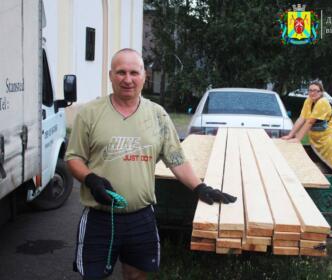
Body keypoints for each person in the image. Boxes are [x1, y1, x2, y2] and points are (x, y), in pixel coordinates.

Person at [65, 48, 236, 280]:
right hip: (100, 217)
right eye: (121, 72)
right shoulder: (89, 114)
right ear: (110, 75)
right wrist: (91, 179)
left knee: (136, 275)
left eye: (134, 72)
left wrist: (199, 187)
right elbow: (73, 157)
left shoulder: (158, 115)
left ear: (144, 76)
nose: (127, 79)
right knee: (93, 276)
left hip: (141, 216)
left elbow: (176, 159)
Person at [281, 80, 332, 167]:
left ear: (321, 92)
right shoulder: (309, 100)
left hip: (328, 140)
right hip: (316, 140)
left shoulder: (322, 102)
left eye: (316, 90)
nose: (312, 93)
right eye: (310, 90)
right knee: (317, 167)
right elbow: (301, 118)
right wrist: (290, 135)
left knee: (327, 168)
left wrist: (298, 139)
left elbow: (310, 122)